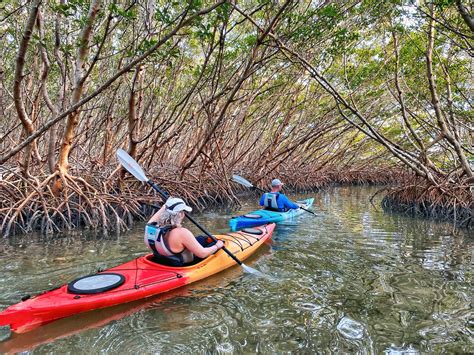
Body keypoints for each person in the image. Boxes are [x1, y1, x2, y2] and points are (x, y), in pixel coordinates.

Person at [144, 197, 224, 266]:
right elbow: (202, 254)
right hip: (182, 264)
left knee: (200, 239)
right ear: (180, 214)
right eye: (183, 212)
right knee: (216, 243)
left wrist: (166, 205)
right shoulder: (182, 233)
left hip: (162, 260)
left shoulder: (151, 227)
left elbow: (161, 212)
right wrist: (217, 246)